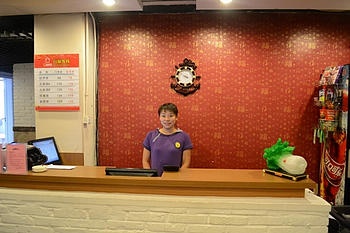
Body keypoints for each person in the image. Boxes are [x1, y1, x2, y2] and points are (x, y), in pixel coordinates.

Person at [142, 103, 193, 176]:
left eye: (171, 116)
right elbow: (145, 161)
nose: (167, 119)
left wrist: (178, 177)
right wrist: (151, 176)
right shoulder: (151, 135)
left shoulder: (184, 136)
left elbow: (186, 163)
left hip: (175, 180)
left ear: (176, 117)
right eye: (163, 116)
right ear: (159, 117)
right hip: (155, 180)